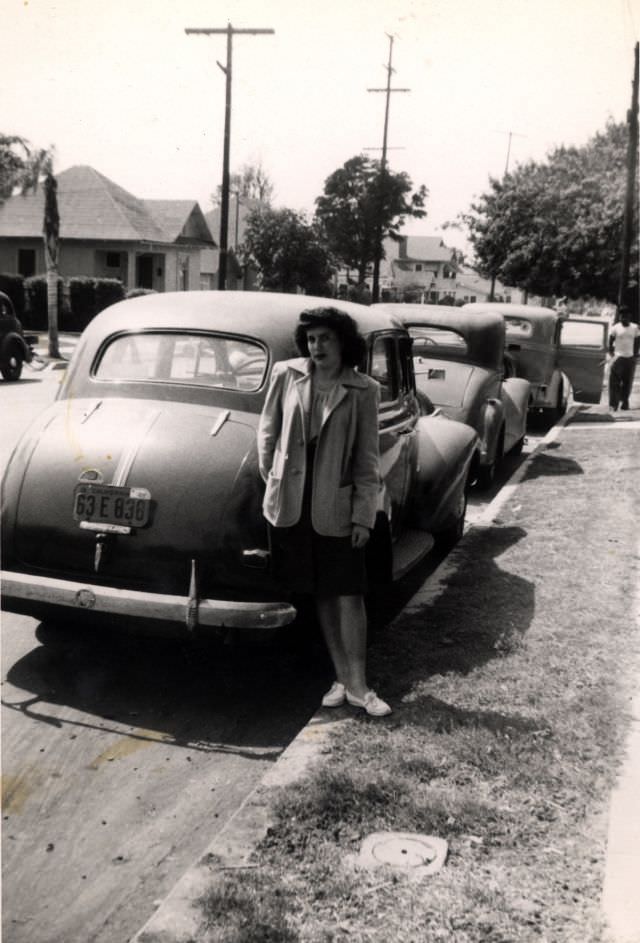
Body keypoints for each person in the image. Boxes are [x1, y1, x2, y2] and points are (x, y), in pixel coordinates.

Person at [257, 306, 391, 717]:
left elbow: (368, 461)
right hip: (294, 505)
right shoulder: (286, 374)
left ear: (343, 343)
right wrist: (276, 482)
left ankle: (360, 684)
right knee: (322, 593)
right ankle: (341, 679)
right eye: (311, 339)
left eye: (326, 339)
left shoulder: (364, 390)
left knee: (349, 594)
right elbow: (267, 434)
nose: (317, 347)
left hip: (336, 504)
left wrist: (362, 517)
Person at [608, 307, 640, 412]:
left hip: (630, 359)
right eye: (621, 316)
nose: (623, 318)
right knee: (614, 382)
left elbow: (637, 342)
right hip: (618, 358)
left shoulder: (635, 327)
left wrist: (635, 355)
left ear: (629, 316)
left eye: (625, 316)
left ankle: (625, 401)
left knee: (628, 382)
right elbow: (610, 341)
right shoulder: (615, 328)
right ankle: (613, 404)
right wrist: (611, 354)